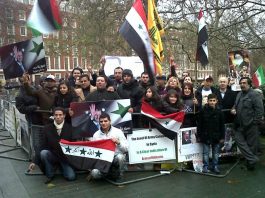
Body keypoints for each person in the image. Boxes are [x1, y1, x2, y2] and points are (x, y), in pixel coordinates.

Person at [28, 107, 76, 183]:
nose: (58, 117)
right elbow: (41, 145)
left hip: (65, 157)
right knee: (43, 153)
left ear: (64, 116)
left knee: (71, 177)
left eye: (60, 115)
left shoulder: (70, 128)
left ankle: (60, 167)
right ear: (53, 116)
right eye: (56, 115)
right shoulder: (47, 128)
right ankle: (49, 174)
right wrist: (34, 161)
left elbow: (75, 145)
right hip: (52, 154)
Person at [231, 77, 264, 170]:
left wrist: (254, 122)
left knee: (251, 146)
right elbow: (235, 105)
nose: (242, 85)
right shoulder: (239, 94)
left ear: (249, 84)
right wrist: (233, 109)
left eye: (244, 83)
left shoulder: (255, 95)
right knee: (238, 139)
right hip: (239, 125)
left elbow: (260, 110)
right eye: (241, 83)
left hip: (251, 125)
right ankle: (253, 159)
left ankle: (250, 165)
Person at [90, 113, 128, 181]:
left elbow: (126, 149)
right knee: (94, 173)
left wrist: (118, 143)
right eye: (101, 121)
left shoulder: (118, 132)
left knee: (121, 157)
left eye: (105, 121)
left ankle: (120, 175)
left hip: (115, 158)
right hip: (103, 161)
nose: (103, 123)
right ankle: (109, 173)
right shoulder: (96, 135)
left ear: (110, 121)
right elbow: (94, 153)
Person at [197, 94, 225, 174]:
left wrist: (222, 137)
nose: (212, 102)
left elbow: (222, 125)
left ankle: (215, 166)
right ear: (208, 101)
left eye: (213, 101)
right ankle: (205, 166)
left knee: (215, 152)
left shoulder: (219, 112)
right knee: (205, 152)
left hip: (216, 135)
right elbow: (199, 124)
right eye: (210, 101)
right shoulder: (203, 111)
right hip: (206, 135)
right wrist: (199, 135)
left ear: (216, 101)